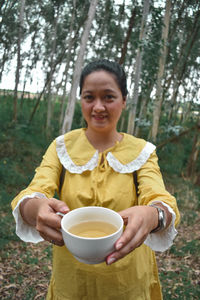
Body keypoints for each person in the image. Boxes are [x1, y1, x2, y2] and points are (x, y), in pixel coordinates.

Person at [11, 59, 180, 300]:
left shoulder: (142, 151)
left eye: (108, 97)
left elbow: (159, 197)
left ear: (123, 101)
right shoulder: (61, 147)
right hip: (72, 282)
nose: (98, 107)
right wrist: (34, 208)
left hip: (128, 282)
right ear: (81, 100)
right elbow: (36, 189)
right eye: (89, 97)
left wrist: (154, 215)